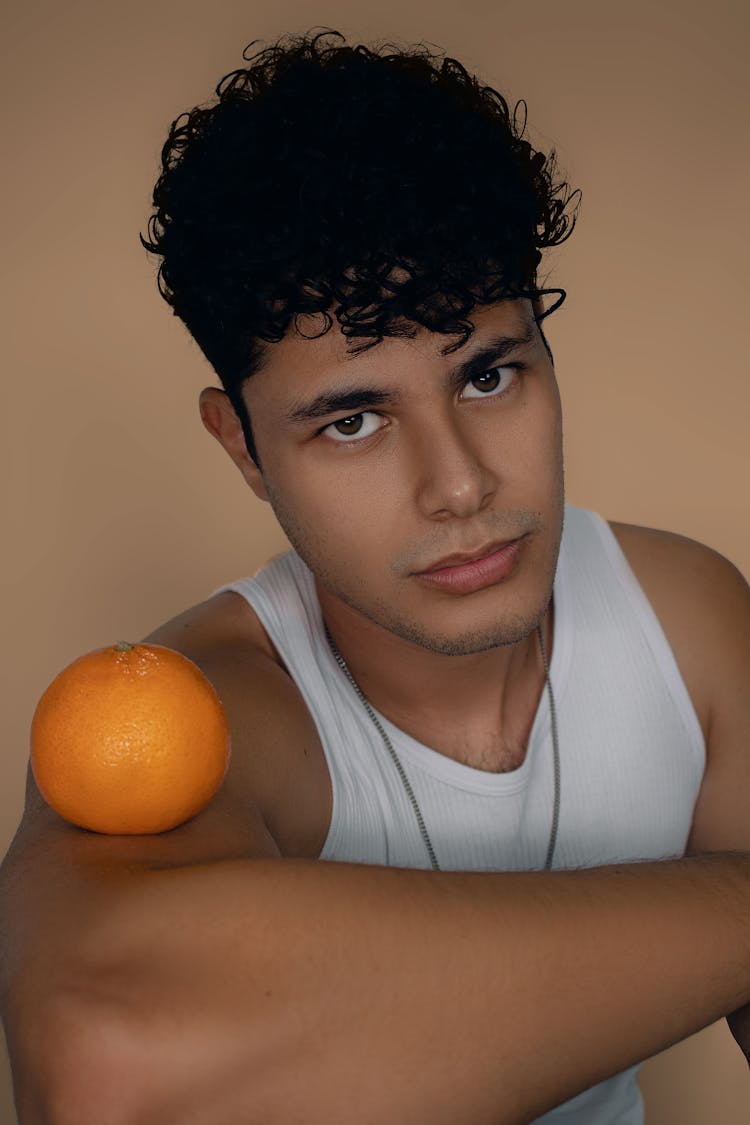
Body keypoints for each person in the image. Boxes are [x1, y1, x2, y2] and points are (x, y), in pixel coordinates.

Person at [1, 26, 749, 1125]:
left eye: (489, 374)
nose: (458, 487)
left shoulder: (685, 622)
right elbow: (110, 1070)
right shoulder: (195, 709)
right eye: (352, 421)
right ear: (243, 449)